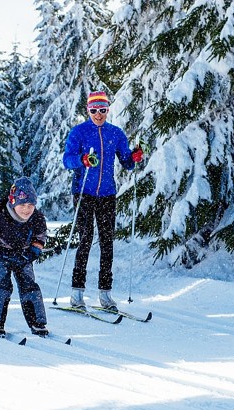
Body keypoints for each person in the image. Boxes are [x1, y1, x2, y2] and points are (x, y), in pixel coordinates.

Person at [63, 90, 144, 311]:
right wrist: (82, 160)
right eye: (94, 110)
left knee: (107, 242)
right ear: (88, 110)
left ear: (108, 110)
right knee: (86, 240)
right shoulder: (79, 133)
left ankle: (105, 295)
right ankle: (77, 294)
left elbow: (126, 162)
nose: (98, 114)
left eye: (103, 110)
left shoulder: (115, 134)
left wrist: (134, 157)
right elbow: (67, 160)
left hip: (107, 194)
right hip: (84, 193)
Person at [0, 177, 49, 337]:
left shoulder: (37, 218)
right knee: (2, 285)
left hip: (23, 255)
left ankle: (37, 323)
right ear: (13, 202)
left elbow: (40, 236)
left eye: (30, 205)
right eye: (22, 205)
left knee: (29, 285)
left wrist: (33, 251)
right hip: (0, 255)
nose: (26, 209)